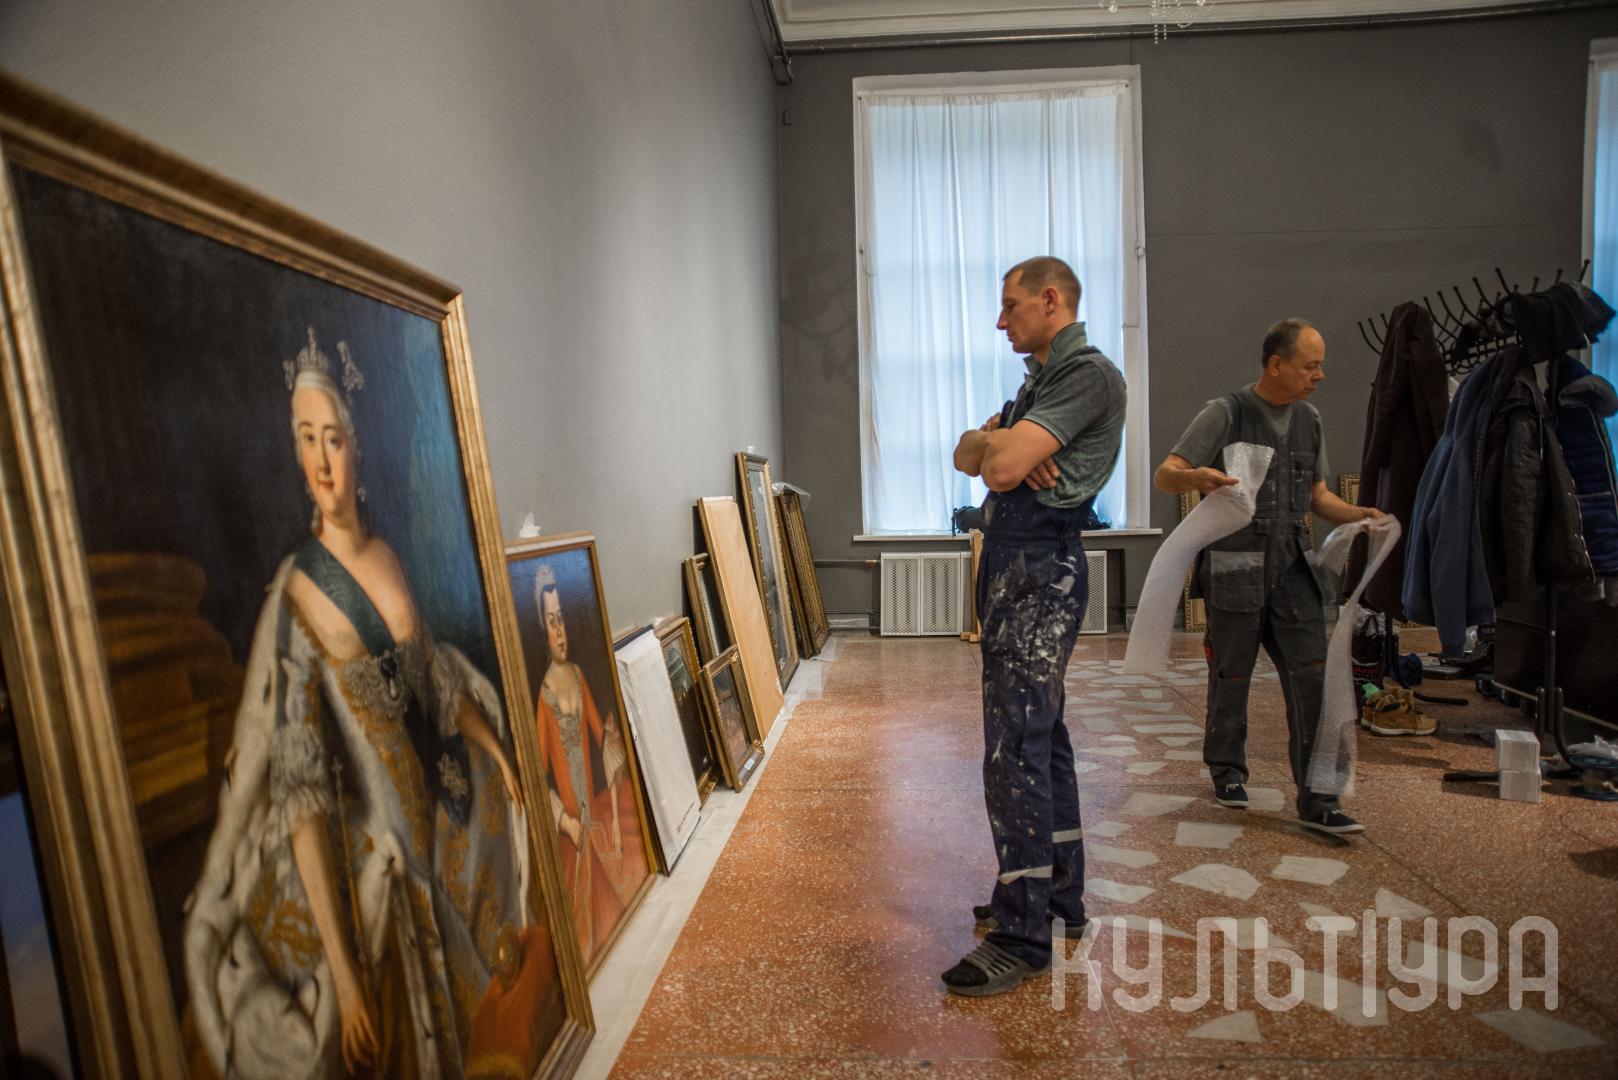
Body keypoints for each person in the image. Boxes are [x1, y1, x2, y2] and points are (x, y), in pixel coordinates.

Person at [185, 329, 540, 1078]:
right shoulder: (295, 593)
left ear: (357, 446)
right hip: (377, 850)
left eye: (334, 439)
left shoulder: (386, 559)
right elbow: (302, 794)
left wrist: (496, 751)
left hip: (438, 809)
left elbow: (434, 683)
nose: (321, 461)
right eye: (306, 439)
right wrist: (345, 987)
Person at [941, 257, 1126, 997]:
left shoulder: (1088, 375)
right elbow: (969, 454)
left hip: (1041, 570)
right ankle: (1058, 899)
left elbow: (997, 467)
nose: (1000, 321)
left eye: (1010, 305)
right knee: (1041, 740)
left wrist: (1006, 447)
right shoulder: (1039, 385)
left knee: (1015, 748)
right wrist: (1000, 443)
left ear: (1051, 300)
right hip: (1018, 567)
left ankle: (1023, 935)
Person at [1154, 318, 1384, 836]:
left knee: (1313, 680)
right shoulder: (1225, 412)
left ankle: (1321, 799)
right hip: (1235, 567)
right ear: (1276, 364)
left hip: (1293, 569)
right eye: (1310, 365)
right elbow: (1166, 474)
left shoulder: (1310, 420)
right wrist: (1194, 477)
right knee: (1231, 676)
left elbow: (1318, 497)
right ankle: (1227, 771)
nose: (1319, 375)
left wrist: (1359, 515)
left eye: (1320, 366)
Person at [531, 565, 648, 967]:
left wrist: (612, 814)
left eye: (562, 619)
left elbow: (605, 739)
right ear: (543, 631)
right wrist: (565, 822)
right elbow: (536, 777)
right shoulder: (544, 697)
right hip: (574, 832)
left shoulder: (579, 676)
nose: (560, 631)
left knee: (628, 867)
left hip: (599, 815)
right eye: (551, 622)